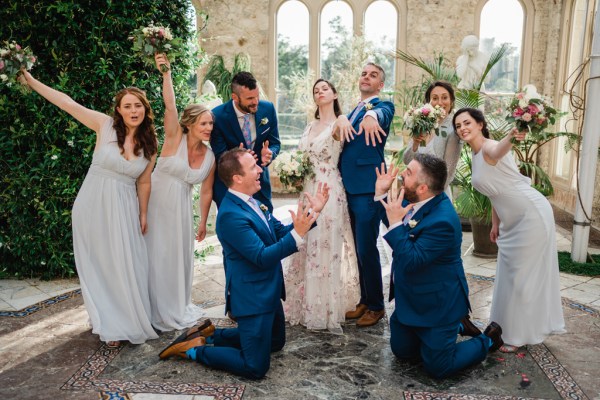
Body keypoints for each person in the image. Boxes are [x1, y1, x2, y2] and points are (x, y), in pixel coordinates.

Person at [158, 148, 330, 379]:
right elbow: (261, 257)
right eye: (253, 168)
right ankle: (194, 350)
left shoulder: (253, 201)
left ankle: (211, 335)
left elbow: (278, 232)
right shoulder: (230, 216)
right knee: (255, 367)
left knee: (276, 343)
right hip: (253, 298)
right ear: (237, 178)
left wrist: (312, 213)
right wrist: (297, 235)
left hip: (269, 291)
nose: (260, 170)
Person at [20, 70, 159, 347]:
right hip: (93, 204)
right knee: (100, 265)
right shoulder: (105, 125)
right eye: (127, 106)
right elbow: (67, 103)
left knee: (124, 263)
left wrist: (143, 213)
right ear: (118, 111)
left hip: (123, 207)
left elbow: (144, 182)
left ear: (145, 109)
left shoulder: (150, 145)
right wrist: (32, 81)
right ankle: (108, 321)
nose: (134, 110)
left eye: (138, 105)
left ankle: (126, 319)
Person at [375, 153, 504, 378]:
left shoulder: (443, 221)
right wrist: (380, 193)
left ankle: (487, 339)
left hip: (437, 304)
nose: (401, 175)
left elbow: (412, 260)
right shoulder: (415, 198)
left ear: (423, 187)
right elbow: (391, 216)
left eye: (408, 173)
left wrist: (396, 223)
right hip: (411, 299)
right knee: (403, 353)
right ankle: (458, 327)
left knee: (438, 367)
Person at [453, 108, 566, 353]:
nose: (462, 128)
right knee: (508, 274)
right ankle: (503, 328)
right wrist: (496, 223)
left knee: (521, 277)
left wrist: (511, 137)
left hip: (531, 214)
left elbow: (499, 149)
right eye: (458, 125)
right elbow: (495, 192)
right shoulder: (473, 155)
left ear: (480, 124)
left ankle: (517, 334)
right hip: (511, 219)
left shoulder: (490, 147)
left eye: (467, 122)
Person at [283, 79, 360, 334]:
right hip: (307, 189)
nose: (319, 92)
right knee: (305, 242)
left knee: (324, 245)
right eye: (316, 90)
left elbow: (344, 127)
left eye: (324, 88)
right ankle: (303, 302)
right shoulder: (309, 126)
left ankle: (322, 308)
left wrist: (344, 117)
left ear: (335, 94)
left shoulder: (339, 122)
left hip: (328, 189)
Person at [145, 54, 216, 332]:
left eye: (211, 124)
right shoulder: (175, 137)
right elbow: (170, 105)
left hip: (182, 211)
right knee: (154, 255)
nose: (208, 128)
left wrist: (202, 222)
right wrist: (166, 74)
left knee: (177, 257)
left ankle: (174, 305)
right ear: (189, 124)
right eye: (203, 124)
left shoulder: (210, 156)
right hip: (155, 204)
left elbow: (207, 191)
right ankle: (149, 306)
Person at [335, 62, 395, 327]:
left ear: (380, 85)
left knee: (367, 248)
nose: (367, 78)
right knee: (359, 247)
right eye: (364, 74)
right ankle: (364, 299)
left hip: (367, 188)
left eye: (373, 75)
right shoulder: (353, 109)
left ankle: (377, 306)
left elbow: (380, 114)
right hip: (348, 186)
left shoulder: (382, 106)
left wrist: (372, 117)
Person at [210, 71, 280, 211]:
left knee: (266, 227)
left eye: (257, 96)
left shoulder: (268, 109)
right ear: (235, 97)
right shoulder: (218, 116)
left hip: (260, 184)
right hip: (230, 188)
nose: (255, 102)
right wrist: (239, 156)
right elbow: (219, 156)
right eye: (249, 98)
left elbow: (275, 143)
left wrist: (270, 154)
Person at [403, 81, 462, 200]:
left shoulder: (453, 129)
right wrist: (415, 143)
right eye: (435, 98)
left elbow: (448, 173)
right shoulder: (421, 123)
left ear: (451, 101)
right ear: (428, 102)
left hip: (436, 195)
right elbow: (407, 160)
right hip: (415, 193)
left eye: (444, 97)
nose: (440, 102)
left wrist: (429, 196)